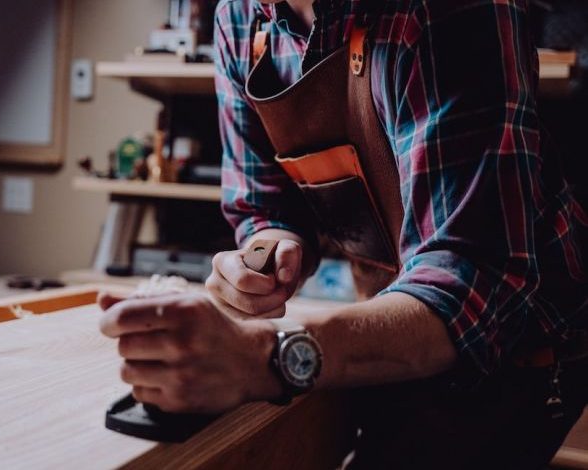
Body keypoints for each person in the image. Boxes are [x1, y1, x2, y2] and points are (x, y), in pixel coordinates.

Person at [99, 0, 588, 467]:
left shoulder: (450, 9)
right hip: (390, 319)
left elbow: (469, 284)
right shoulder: (242, 18)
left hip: (520, 348)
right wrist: (267, 251)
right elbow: (265, 206)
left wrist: (264, 356)